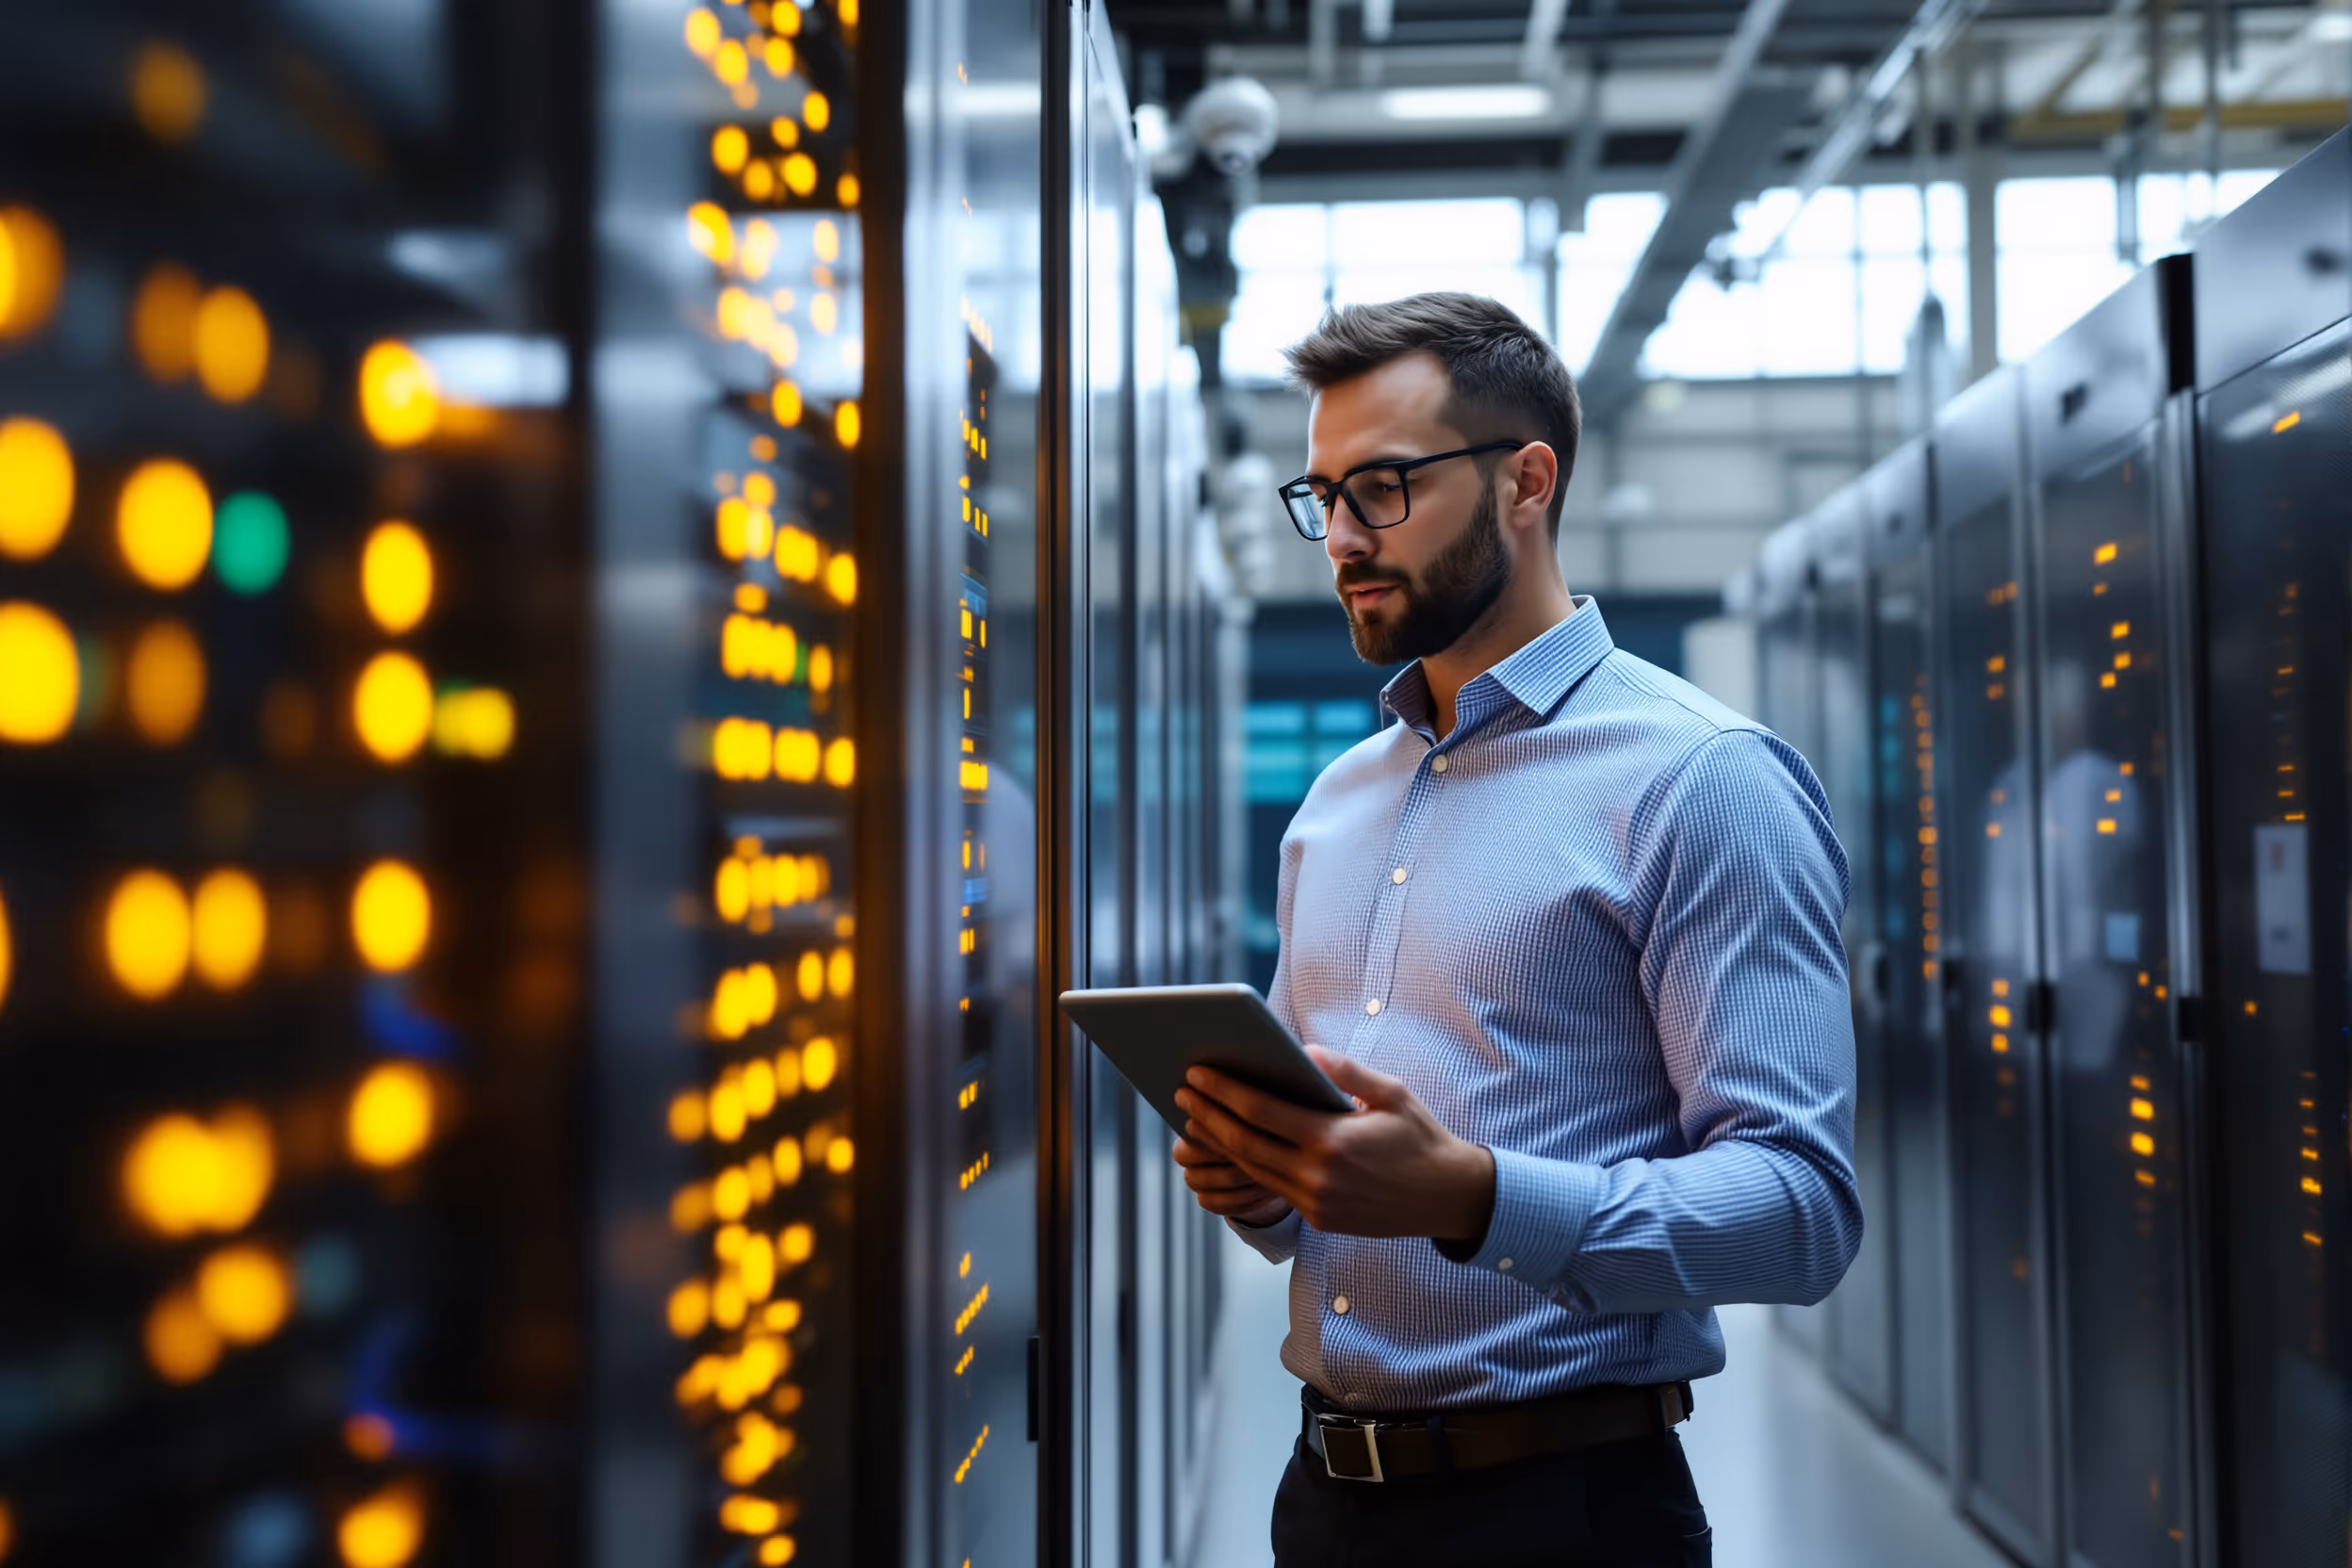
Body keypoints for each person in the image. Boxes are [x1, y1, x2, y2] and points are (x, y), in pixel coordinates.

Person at [1170, 292, 1861, 1567]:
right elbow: (1322, 1204)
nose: (1338, 538)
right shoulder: (1337, 805)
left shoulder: (1698, 777)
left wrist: (1479, 1199)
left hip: (1565, 1511)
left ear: (1525, 481)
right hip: (1325, 1498)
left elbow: (1800, 1210)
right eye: (1320, 497)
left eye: (1379, 489)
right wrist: (1266, 1186)